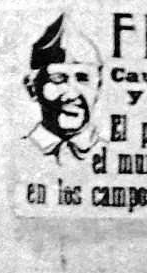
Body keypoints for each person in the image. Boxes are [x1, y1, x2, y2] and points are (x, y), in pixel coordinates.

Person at [23, 13, 105, 165]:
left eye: (83, 79)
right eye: (58, 79)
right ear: (32, 88)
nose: (72, 93)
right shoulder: (15, 156)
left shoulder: (114, 155)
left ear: (98, 87)